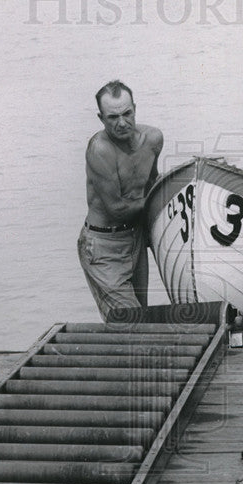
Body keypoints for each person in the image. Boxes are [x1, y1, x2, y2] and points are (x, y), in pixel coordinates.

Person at [77, 80, 163, 320]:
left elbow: (152, 184)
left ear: (135, 108)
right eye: (113, 117)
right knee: (129, 323)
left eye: (127, 113)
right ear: (101, 118)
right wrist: (161, 198)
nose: (122, 122)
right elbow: (117, 209)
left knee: (141, 318)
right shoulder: (100, 150)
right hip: (104, 246)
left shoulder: (154, 139)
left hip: (135, 238)